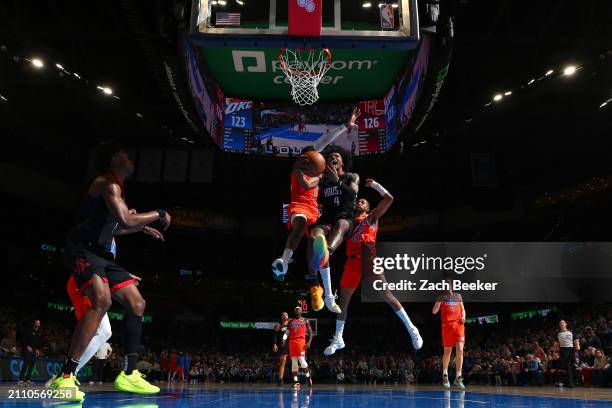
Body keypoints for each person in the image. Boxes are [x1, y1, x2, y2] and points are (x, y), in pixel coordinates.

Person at [51, 140, 170, 401]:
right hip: (82, 250)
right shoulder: (107, 183)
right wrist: (157, 214)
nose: (130, 158)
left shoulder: (117, 189)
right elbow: (126, 218)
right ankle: (66, 376)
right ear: (113, 159)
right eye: (125, 155)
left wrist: (139, 227)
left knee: (137, 302)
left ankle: (130, 373)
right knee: (101, 301)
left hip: (103, 254)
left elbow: (116, 227)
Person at [324, 179, 423, 355]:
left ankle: (412, 329)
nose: (359, 202)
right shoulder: (348, 223)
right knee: (343, 302)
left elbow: (389, 198)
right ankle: (339, 338)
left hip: (369, 257)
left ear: (368, 208)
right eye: (358, 201)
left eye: (363, 201)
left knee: (387, 295)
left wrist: (376, 185)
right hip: (352, 261)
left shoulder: (371, 218)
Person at [307, 108, 361, 313]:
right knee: (314, 234)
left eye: (337, 156)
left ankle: (326, 251)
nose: (333, 158)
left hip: (346, 221)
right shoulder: (323, 180)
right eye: (331, 156)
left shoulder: (351, 177)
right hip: (328, 218)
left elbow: (351, 196)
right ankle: (327, 295)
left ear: (342, 162)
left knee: (339, 225)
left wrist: (337, 182)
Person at [272, 148, 322, 282]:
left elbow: (309, 183)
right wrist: (299, 171)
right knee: (300, 227)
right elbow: (305, 185)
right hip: (298, 206)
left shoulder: (319, 175)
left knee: (314, 244)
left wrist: (343, 127)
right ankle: (284, 261)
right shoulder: (296, 170)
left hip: (314, 210)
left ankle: (315, 279)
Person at [432, 287, 466, 388]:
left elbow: (463, 310)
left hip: (459, 325)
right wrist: (438, 302)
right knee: (448, 351)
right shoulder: (441, 297)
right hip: (447, 326)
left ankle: (458, 377)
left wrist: (464, 316)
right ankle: (445, 374)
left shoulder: (458, 296)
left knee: (460, 349)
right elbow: (434, 311)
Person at [288, 306, 313, 389]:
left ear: (301, 311)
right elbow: (287, 331)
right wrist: (284, 339)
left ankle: (308, 377)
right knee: (294, 362)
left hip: (301, 342)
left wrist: (309, 342)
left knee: (302, 360)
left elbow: (311, 333)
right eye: (296, 309)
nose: (297, 310)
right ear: (295, 311)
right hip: (292, 342)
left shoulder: (305, 320)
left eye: (299, 309)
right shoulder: (291, 321)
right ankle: (296, 381)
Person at [554, 319, 576, 388]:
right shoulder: (557, 333)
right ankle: (570, 383)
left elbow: (576, 339)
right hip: (563, 350)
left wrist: (578, 346)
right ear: (559, 325)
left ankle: (570, 382)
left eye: (563, 322)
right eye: (560, 323)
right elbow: (555, 343)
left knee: (571, 366)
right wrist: (555, 351)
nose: (561, 323)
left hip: (571, 349)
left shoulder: (571, 331)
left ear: (566, 324)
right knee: (567, 366)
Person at [19, 320, 42, 384]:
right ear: (34, 324)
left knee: (32, 365)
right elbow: (23, 339)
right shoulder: (28, 330)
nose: (37, 324)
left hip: (34, 350)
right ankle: (21, 379)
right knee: (26, 364)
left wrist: (38, 349)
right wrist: (27, 346)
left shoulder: (40, 333)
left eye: (39, 323)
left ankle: (28, 379)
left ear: (39, 325)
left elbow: (39, 342)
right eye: (36, 323)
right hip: (27, 350)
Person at [273, 312, 291, 385]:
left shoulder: (291, 323)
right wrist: (275, 344)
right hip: (283, 346)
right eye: (283, 315)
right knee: (282, 362)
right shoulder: (278, 325)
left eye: (286, 314)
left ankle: (296, 380)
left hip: (292, 344)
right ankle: (280, 380)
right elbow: (275, 335)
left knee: (295, 362)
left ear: (288, 316)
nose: (284, 315)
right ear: (281, 317)